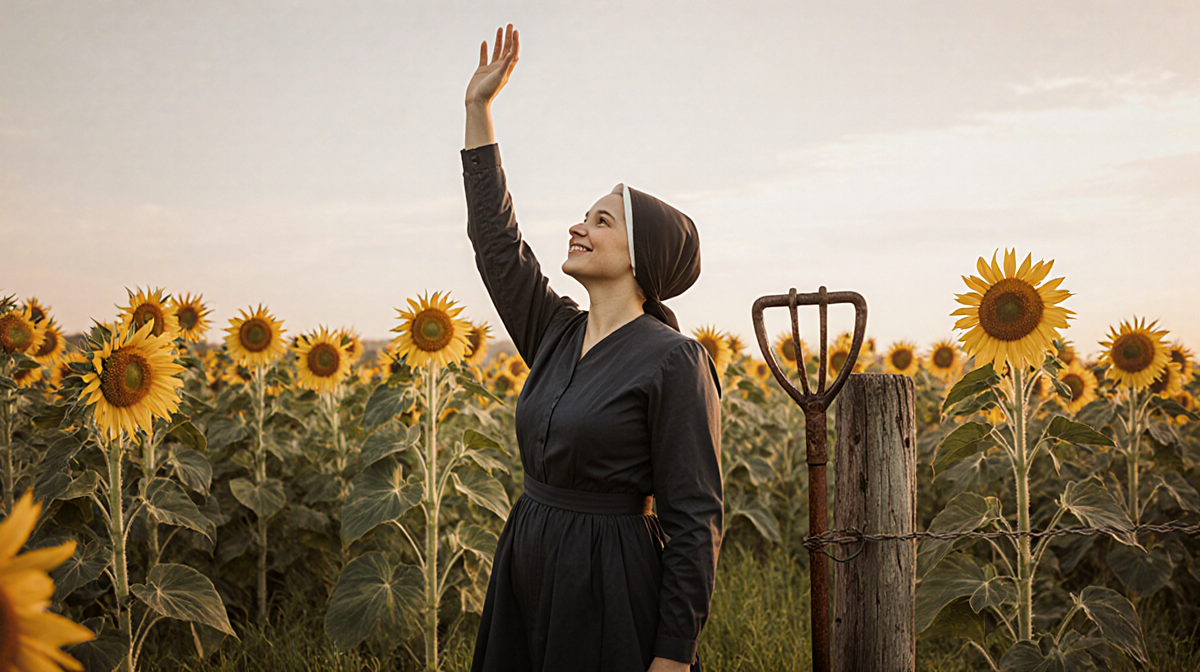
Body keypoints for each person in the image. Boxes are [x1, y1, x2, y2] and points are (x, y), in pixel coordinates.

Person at [462, 24, 723, 672]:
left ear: (642, 257)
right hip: (529, 562)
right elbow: (497, 246)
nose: (579, 226)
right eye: (585, 216)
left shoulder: (674, 360)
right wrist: (478, 111)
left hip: (609, 581)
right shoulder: (554, 330)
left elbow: (695, 520)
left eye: (601, 220)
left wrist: (673, 656)